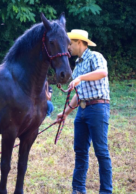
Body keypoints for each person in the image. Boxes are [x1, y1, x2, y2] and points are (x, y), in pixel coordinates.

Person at [56, 29, 112, 194]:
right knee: (80, 151)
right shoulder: (78, 65)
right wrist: (65, 113)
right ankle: (78, 189)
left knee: (101, 151)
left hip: (98, 108)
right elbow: (78, 95)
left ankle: (106, 191)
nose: (68, 47)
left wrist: (80, 78)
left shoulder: (96, 57)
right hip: (82, 111)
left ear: (79, 42)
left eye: (70, 43)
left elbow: (103, 72)